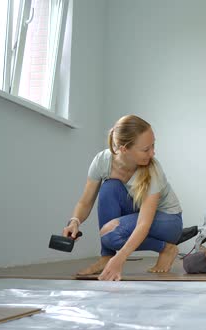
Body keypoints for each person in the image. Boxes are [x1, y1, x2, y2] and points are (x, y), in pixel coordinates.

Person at [62, 115, 183, 281]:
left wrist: (120, 259)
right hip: (137, 213)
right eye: (146, 149)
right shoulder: (102, 161)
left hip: (168, 221)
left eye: (153, 145)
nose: (153, 153)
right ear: (124, 148)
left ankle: (167, 248)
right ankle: (106, 257)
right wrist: (74, 221)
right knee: (109, 187)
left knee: (111, 235)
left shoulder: (153, 169)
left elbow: (143, 223)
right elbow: (85, 201)